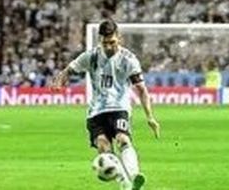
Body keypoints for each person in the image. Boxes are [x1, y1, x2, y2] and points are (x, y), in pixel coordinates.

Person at [52, 20, 160, 190]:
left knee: (123, 139)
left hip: (119, 108)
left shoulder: (128, 59)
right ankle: (125, 183)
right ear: (99, 40)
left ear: (119, 38)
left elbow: (141, 89)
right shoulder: (91, 56)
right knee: (104, 147)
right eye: (105, 43)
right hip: (96, 112)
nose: (109, 47)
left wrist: (150, 117)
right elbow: (69, 70)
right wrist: (59, 81)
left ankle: (134, 175)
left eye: (113, 42)